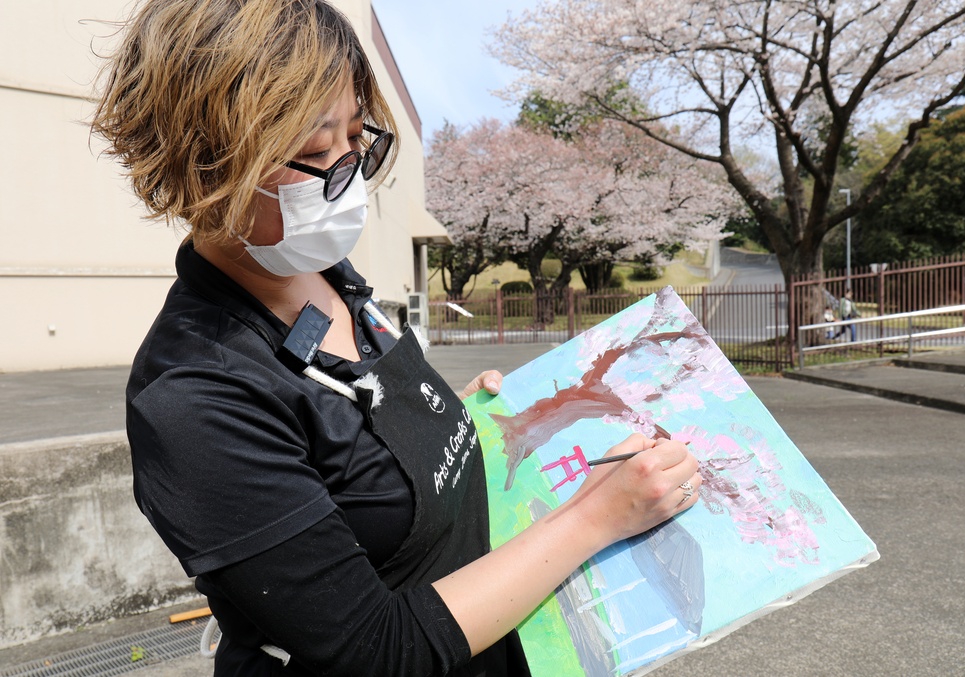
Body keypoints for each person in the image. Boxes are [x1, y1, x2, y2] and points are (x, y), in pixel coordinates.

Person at [90, 2, 703, 675]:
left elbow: (360, 445)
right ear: (209, 164)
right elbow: (372, 651)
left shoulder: (321, 270)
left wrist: (450, 425)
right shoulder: (194, 397)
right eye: (318, 150)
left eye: (356, 138)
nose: (349, 174)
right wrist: (596, 517)